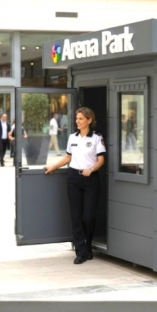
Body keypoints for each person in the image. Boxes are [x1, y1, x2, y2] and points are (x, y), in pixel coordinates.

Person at [44, 107, 106, 265]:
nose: (77, 121)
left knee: (88, 217)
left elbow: (101, 160)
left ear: (89, 120)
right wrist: (53, 167)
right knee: (76, 217)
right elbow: (68, 157)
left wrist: (91, 169)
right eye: (77, 118)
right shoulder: (73, 137)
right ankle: (81, 252)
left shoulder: (96, 138)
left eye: (81, 119)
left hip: (90, 179)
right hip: (74, 178)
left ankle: (88, 245)